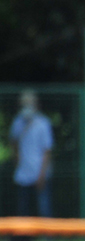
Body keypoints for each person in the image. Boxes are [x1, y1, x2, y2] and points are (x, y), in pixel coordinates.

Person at [9, 90, 54, 218]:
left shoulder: (43, 123)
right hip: (23, 173)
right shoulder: (17, 123)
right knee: (23, 209)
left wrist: (42, 174)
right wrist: (17, 164)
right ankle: (23, 236)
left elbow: (47, 150)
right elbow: (14, 144)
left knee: (44, 207)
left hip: (40, 172)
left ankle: (48, 236)